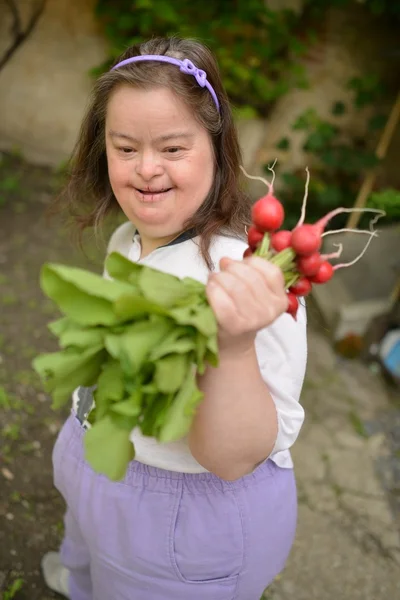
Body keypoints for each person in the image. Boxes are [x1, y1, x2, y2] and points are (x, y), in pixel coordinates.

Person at [41, 36, 307, 600]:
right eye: (125, 147)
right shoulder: (128, 240)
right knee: (90, 558)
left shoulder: (246, 281)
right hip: (107, 480)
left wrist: (232, 347)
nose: (145, 170)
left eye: (172, 149)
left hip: (177, 524)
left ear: (217, 148)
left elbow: (236, 458)